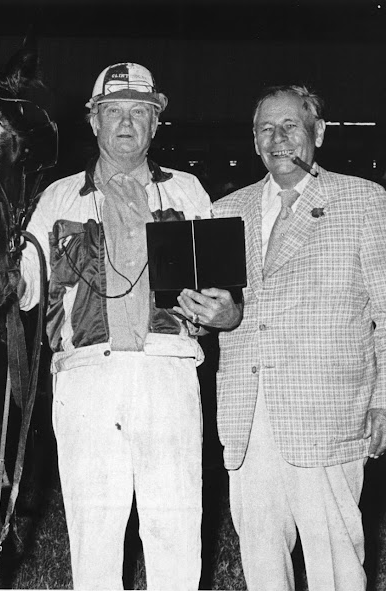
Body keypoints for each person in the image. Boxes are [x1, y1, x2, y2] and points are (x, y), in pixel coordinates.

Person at [177, 85, 386, 590]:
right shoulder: (228, 209)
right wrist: (209, 317)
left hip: (329, 410)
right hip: (248, 414)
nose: (279, 139)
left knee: (335, 560)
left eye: (291, 126)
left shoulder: (363, 200)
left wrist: (384, 400)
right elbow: (212, 313)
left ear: (318, 132)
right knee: (262, 556)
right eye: (266, 129)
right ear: (253, 142)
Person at [20, 62, 212, 589]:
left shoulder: (189, 193)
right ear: (93, 121)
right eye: (113, 112)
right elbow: (23, 288)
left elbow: (221, 291)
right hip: (87, 379)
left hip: (167, 371)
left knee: (174, 524)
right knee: (94, 527)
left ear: (155, 123)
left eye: (139, 112)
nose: (126, 123)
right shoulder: (57, 198)